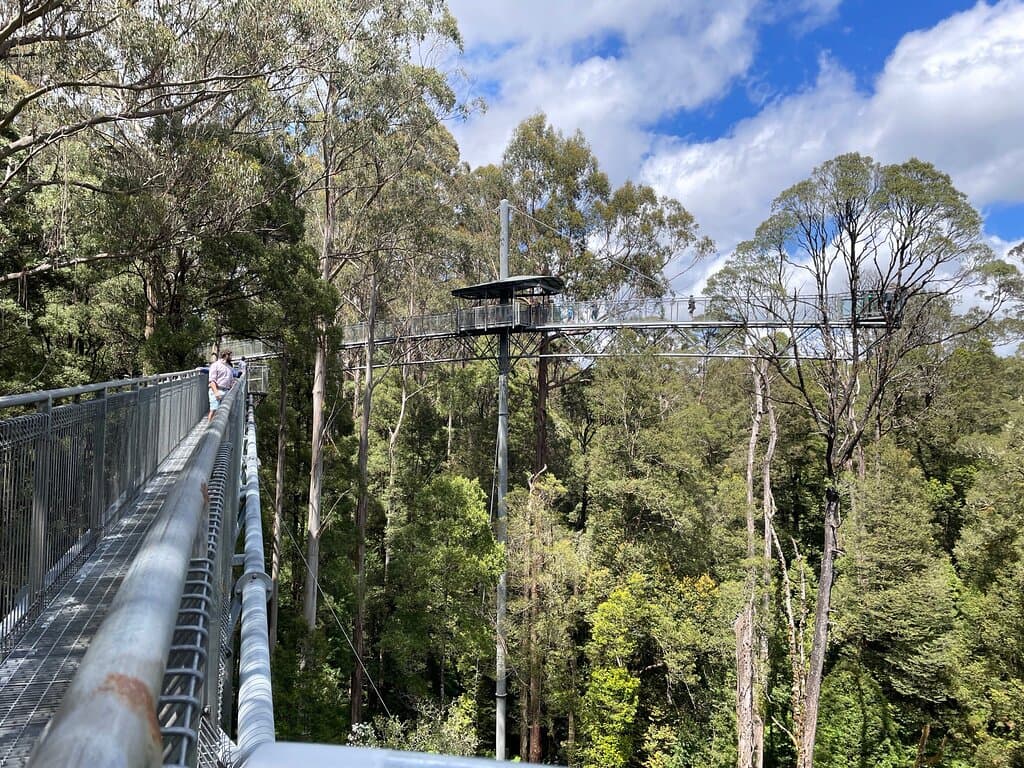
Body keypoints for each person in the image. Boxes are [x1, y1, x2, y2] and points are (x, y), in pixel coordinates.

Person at [208, 349, 234, 422]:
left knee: (224, 412)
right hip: (216, 390)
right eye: (230, 355)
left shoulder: (229, 367)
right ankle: (209, 430)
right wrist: (216, 392)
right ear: (226, 355)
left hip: (226, 391)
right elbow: (212, 381)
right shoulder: (215, 365)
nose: (231, 357)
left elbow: (231, 381)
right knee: (214, 410)